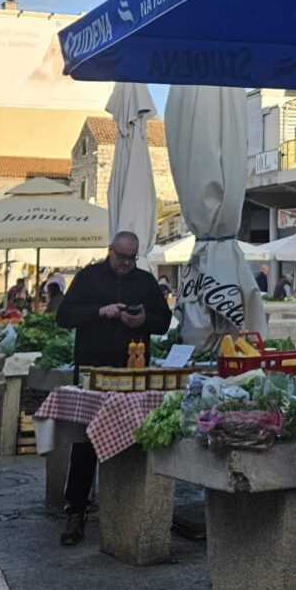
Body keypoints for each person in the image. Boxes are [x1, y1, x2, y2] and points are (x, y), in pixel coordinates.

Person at [55, 232, 171, 546]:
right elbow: (63, 317)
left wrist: (145, 320)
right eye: (121, 256)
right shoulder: (88, 277)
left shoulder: (145, 282)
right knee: (85, 443)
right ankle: (76, 510)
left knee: (136, 439)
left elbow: (165, 321)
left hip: (133, 375)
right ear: (110, 252)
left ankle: (130, 509)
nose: (125, 263)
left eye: (131, 258)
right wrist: (99, 312)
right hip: (93, 373)